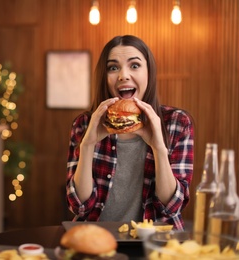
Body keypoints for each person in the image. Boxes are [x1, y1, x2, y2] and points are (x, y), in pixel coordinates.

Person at [66, 35, 194, 230]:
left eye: (134, 66)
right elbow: (79, 206)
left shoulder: (177, 122)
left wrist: (159, 147)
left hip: (155, 243)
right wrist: (88, 145)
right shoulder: (85, 124)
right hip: (96, 237)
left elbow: (171, 207)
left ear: (149, 72)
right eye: (113, 67)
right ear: (104, 76)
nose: (123, 75)